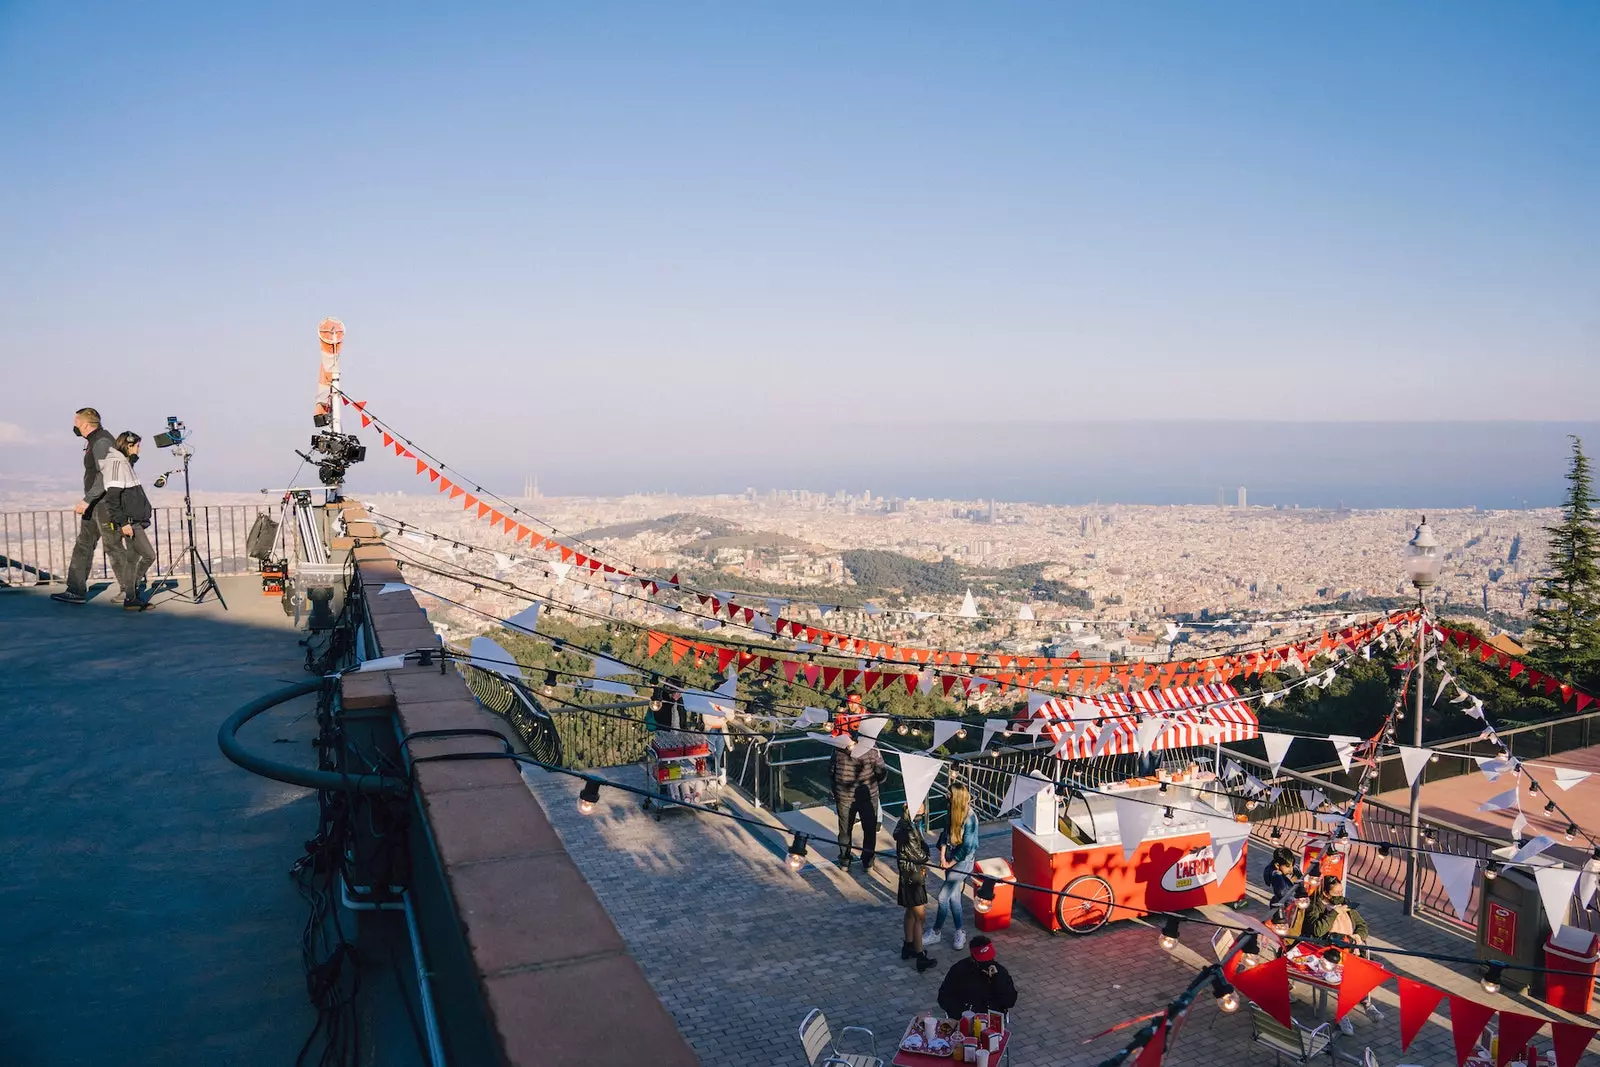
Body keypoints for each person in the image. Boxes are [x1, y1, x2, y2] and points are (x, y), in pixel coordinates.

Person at [52, 407, 128, 606]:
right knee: (84, 545)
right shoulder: (95, 441)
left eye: (76, 422)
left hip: (104, 505)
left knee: (113, 546)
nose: (74, 426)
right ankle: (75, 590)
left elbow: (106, 474)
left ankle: (130, 590)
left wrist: (87, 500)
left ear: (85, 424)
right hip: (94, 504)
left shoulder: (102, 441)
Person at [1305, 875, 1385, 1032]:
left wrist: (1358, 936)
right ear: (1326, 894)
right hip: (1329, 953)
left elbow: (1362, 925)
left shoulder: (1344, 902)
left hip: (1351, 947)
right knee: (1344, 979)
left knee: (1363, 973)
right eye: (1336, 893)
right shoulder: (1315, 907)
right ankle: (1342, 1014)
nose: (1341, 896)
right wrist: (1334, 913)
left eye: (1341, 891)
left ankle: (1365, 1002)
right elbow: (1317, 931)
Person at [830, 697, 887, 872]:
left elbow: (831, 771)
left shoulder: (838, 749)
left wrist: (836, 790)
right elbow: (881, 771)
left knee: (845, 830)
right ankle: (868, 862)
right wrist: (876, 783)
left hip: (844, 796)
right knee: (869, 830)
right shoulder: (871, 749)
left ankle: (844, 861)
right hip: (867, 795)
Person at [926, 778, 980, 950]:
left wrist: (950, 863)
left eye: (949, 794)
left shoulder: (970, 819)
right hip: (950, 857)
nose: (946, 796)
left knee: (943, 896)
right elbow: (945, 834)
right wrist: (943, 856)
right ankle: (960, 931)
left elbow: (968, 847)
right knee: (954, 897)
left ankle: (936, 932)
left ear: (955, 797)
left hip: (962, 862)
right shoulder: (952, 811)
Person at [105, 432, 156, 610]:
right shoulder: (118, 464)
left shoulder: (123, 463)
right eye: (137, 446)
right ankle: (131, 589)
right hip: (130, 522)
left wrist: (133, 458)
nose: (139, 449)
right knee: (149, 555)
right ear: (129, 445)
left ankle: (131, 599)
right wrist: (123, 523)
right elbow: (112, 498)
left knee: (132, 559)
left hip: (134, 521)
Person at [895, 803, 938, 972]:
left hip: (907, 875)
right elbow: (919, 855)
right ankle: (920, 956)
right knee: (920, 917)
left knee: (910, 911)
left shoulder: (905, 825)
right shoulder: (909, 830)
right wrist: (926, 854)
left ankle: (908, 945)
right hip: (914, 876)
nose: (924, 806)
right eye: (921, 804)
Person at [937, 936, 1019, 1017]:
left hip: (992, 1020)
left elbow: (1010, 1001)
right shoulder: (959, 970)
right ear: (972, 958)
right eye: (983, 960)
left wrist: (997, 979)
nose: (987, 962)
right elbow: (944, 997)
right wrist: (960, 1012)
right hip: (966, 1018)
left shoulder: (1000, 972)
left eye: (989, 958)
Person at [1263, 846, 1302, 926]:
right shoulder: (1274, 874)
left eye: (1292, 866)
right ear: (1277, 865)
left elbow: (1299, 876)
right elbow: (1282, 893)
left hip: (1291, 900)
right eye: (1288, 867)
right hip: (1284, 905)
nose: (1291, 869)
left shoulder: (1290, 868)